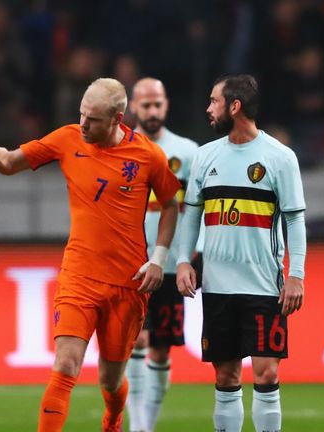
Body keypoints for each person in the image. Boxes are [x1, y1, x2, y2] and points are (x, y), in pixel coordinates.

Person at [0, 77, 180, 432]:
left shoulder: (148, 154)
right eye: (81, 115)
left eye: (93, 119)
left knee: (109, 379)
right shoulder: (67, 138)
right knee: (66, 365)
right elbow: (10, 163)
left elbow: (170, 205)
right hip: (79, 274)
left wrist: (159, 259)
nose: (83, 124)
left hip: (128, 282)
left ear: (118, 118)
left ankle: (113, 418)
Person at [176, 74, 306, 432]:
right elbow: (192, 215)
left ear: (235, 106)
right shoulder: (205, 157)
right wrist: (184, 259)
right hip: (217, 286)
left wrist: (296, 276)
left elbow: (295, 221)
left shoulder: (279, 158)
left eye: (214, 101)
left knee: (266, 373)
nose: (208, 108)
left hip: (264, 285)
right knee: (226, 376)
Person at [125, 78, 201, 432]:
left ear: (166, 105)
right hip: (131, 263)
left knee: (160, 350)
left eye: (157, 105)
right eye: (146, 105)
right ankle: (139, 427)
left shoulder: (187, 152)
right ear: (133, 107)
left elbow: (198, 208)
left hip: (170, 266)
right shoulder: (123, 149)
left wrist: (193, 252)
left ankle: (146, 425)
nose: (152, 111)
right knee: (136, 341)